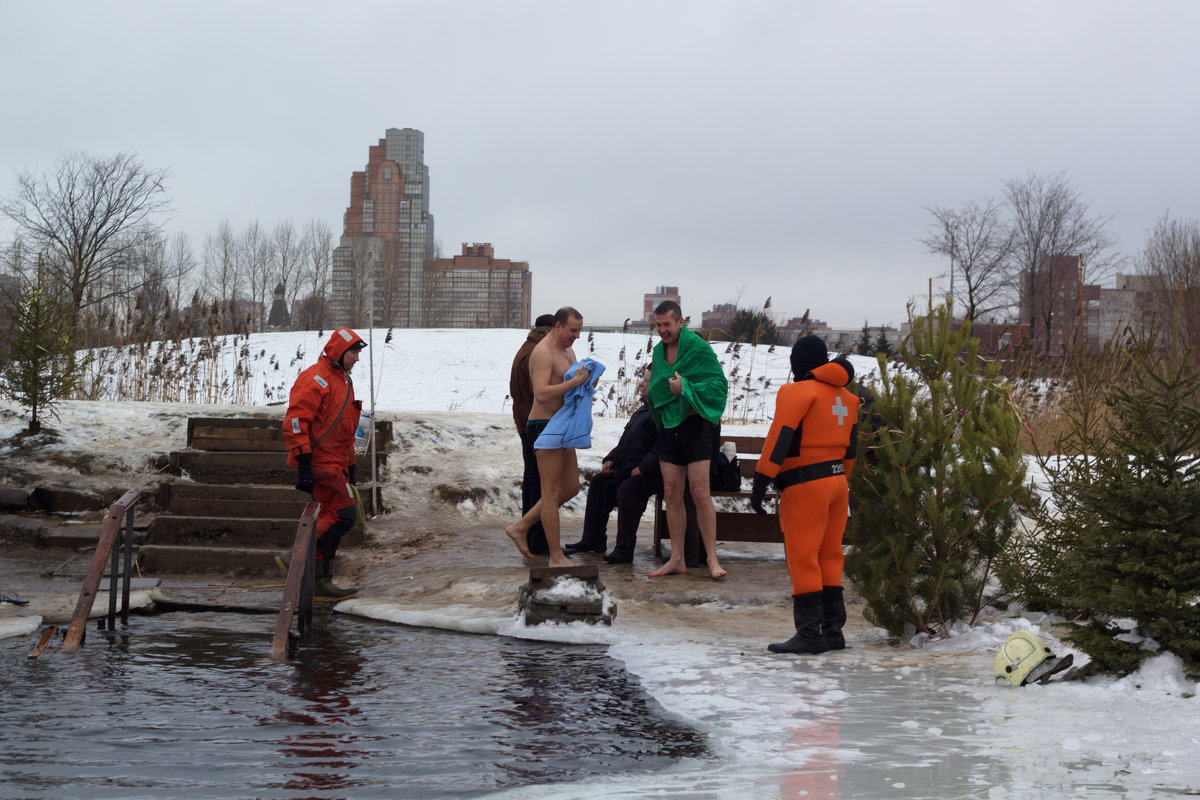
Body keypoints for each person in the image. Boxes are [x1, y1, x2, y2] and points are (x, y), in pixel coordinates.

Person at [751, 334, 860, 654]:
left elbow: (779, 437)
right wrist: (839, 480)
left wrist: (762, 479)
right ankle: (833, 632)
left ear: (797, 363)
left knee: (803, 557)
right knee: (830, 555)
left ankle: (809, 634)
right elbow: (851, 450)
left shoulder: (797, 392)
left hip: (805, 486)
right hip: (838, 484)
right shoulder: (849, 399)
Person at [279, 327, 368, 598]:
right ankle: (294, 555)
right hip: (320, 463)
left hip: (336, 463)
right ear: (339, 352)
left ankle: (321, 580)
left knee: (335, 518)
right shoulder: (314, 379)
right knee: (343, 516)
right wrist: (304, 462)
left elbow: (347, 428)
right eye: (353, 352)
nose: (357, 359)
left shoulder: (344, 382)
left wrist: (350, 466)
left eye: (357, 353)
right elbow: (295, 421)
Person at [645, 301, 729, 580]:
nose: (662, 330)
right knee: (671, 491)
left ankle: (712, 558)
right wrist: (667, 394)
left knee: (699, 491)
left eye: (667, 324)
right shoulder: (659, 351)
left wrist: (686, 388)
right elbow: (657, 388)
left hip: (696, 425)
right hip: (670, 424)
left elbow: (719, 386)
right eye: (658, 325)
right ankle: (677, 558)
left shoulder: (699, 349)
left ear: (681, 322)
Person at [504, 307, 592, 568]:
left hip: (563, 424)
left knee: (570, 488)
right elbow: (541, 394)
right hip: (543, 425)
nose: (576, 336)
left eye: (579, 331)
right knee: (551, 493)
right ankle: (554, 557)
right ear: (558, 326)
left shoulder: (568, 351)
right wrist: (575, 382)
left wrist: (586, 383)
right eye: (572, 330)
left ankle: (521, 526)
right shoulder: (542, 352)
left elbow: (569, 385)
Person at [563, 367, 662, 562]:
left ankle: (624, 550)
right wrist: (611, 459)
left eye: (647, 381)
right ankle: (593, 540)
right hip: (626, 468)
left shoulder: (661, 413)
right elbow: (625, 443)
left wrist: (643, 468)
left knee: (628, 490)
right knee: (600, 482)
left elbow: (662, 447)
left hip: (649, 475)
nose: (642, 384)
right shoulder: (643, 410)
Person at [510, 313, 557, 555]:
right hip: (535, 423)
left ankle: (531, 536)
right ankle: (539, 541)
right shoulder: (534, 354)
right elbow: (541, 393)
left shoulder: (527, 348)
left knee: (533, 480)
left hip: (526, 422)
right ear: (548, 330)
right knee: (539, 483)